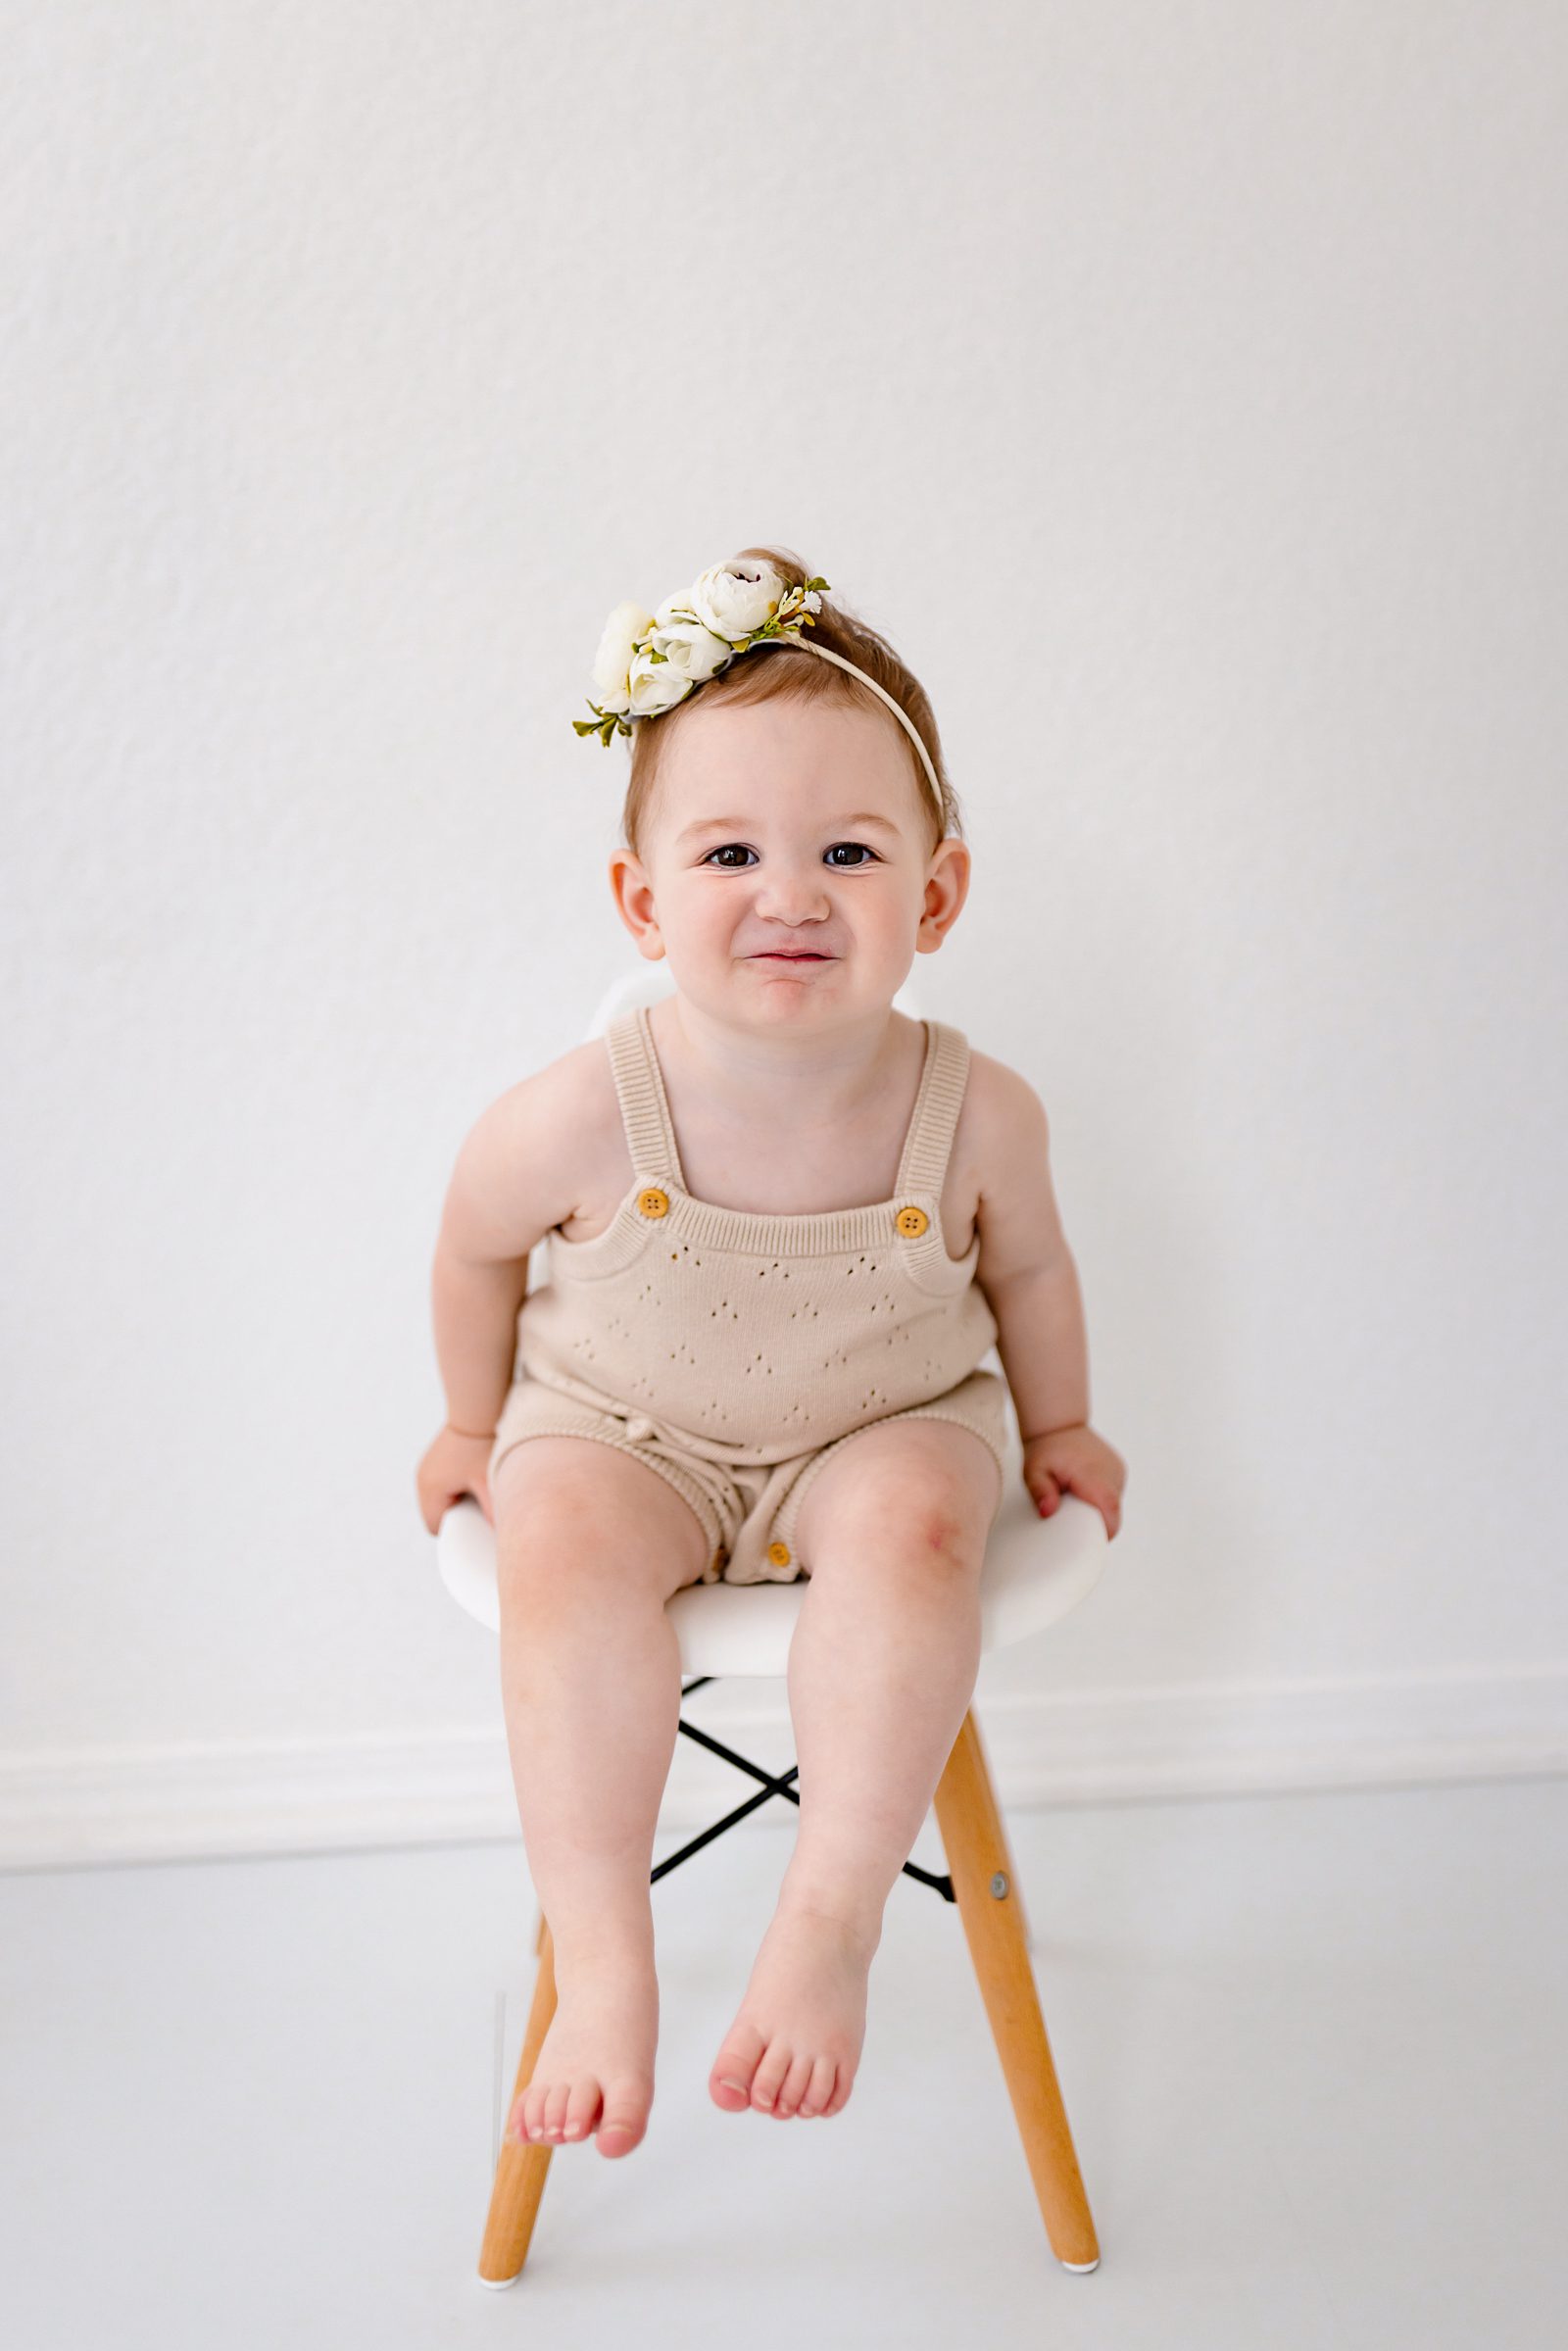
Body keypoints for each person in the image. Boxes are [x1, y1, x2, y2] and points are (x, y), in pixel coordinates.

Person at [416, 547, 1127, 2163]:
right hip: (624, 1430)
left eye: (849, 852)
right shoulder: (583, 1107)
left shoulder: (978, 1109)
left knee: (919, 1530)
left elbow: (1033, 1269)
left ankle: (831, 1918)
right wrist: (472, 1428)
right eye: (730, 850)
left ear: (934, 895)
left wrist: (1064, 1420)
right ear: (643, 900)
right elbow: (470, 1246)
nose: (791, 893)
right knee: (567, 1552)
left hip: (881, 1426)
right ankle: (603, 1944)